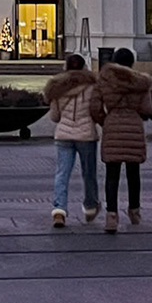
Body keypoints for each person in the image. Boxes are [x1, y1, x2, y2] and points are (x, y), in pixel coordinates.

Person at [90, 47, 152, 233]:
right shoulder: (141, 82)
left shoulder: (104, 80)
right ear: (132, 63)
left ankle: (111, 217)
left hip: (113, 126)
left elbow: (94, 107)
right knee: (134, 174)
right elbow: (147, 109)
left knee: (111, 175)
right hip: (134, 127)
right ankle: (134, 211)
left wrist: (105, 120)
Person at [44, 53, 100, 228]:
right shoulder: (93, 87)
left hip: (64, 135)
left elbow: (54, 116)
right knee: (89, 173)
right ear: (84, 67)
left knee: (62, 174)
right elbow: (96, 112)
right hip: (86, 136)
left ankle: (59, 210)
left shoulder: (57, 87)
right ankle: (90, 207)